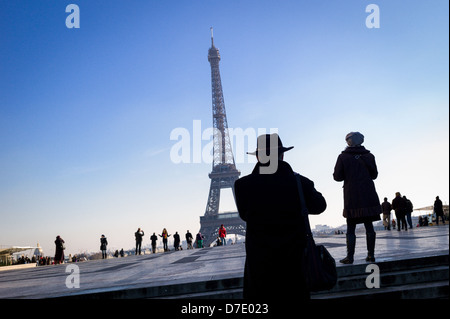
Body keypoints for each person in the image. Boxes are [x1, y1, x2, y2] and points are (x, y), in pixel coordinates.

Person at [234, 133, 326, 300]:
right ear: (282, 155)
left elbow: (244, 215)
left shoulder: (242, 185)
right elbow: (320, 205)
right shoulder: (300, 182)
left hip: (260, 265)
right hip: (295, 264)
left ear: (258, 157)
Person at [333, 132, 381, 264]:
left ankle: (350, 257)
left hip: (352, 195)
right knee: (369, 226)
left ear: (349, 141)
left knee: (351, 227)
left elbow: (337, 177)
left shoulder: (343, 157)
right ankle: (371, 255)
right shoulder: (369, 156)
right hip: (368, 193)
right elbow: (374, 175)